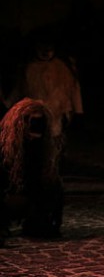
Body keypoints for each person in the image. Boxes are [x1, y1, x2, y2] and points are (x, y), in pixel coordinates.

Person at [0, 99, 64, 240]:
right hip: (9, 198)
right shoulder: (5, 149)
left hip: (28, 196)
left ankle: (37, 223)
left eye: (39, 122)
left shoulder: (42, 148)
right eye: (30, 121)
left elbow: (41, 180)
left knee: (54, 188)